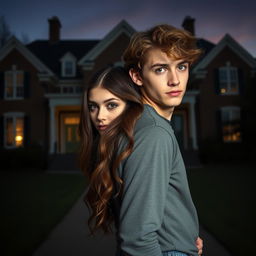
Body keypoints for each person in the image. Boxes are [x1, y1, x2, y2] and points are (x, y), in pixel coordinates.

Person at [117, 24, 203, 256]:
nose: (175, 80)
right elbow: (137, 239)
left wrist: (183, 233)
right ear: (137, 76)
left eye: (182, 67)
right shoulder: (154, 133)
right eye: (160, 69)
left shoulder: (143, 123)